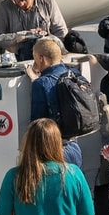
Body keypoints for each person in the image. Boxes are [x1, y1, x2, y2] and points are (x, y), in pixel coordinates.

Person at [25, 36, 84, 167]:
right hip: (74, 148)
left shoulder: (41, 83)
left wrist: (35, 80)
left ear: (41, 58)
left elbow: (37, 123)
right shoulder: (74, 73)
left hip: (54, 152)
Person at [0, 0, 70, 59]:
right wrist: (21, 36)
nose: (20, 3)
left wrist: (47, 41)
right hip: (19, 58)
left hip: (46, 56)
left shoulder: (48, 2)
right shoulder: (4, 7)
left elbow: (61, 32)